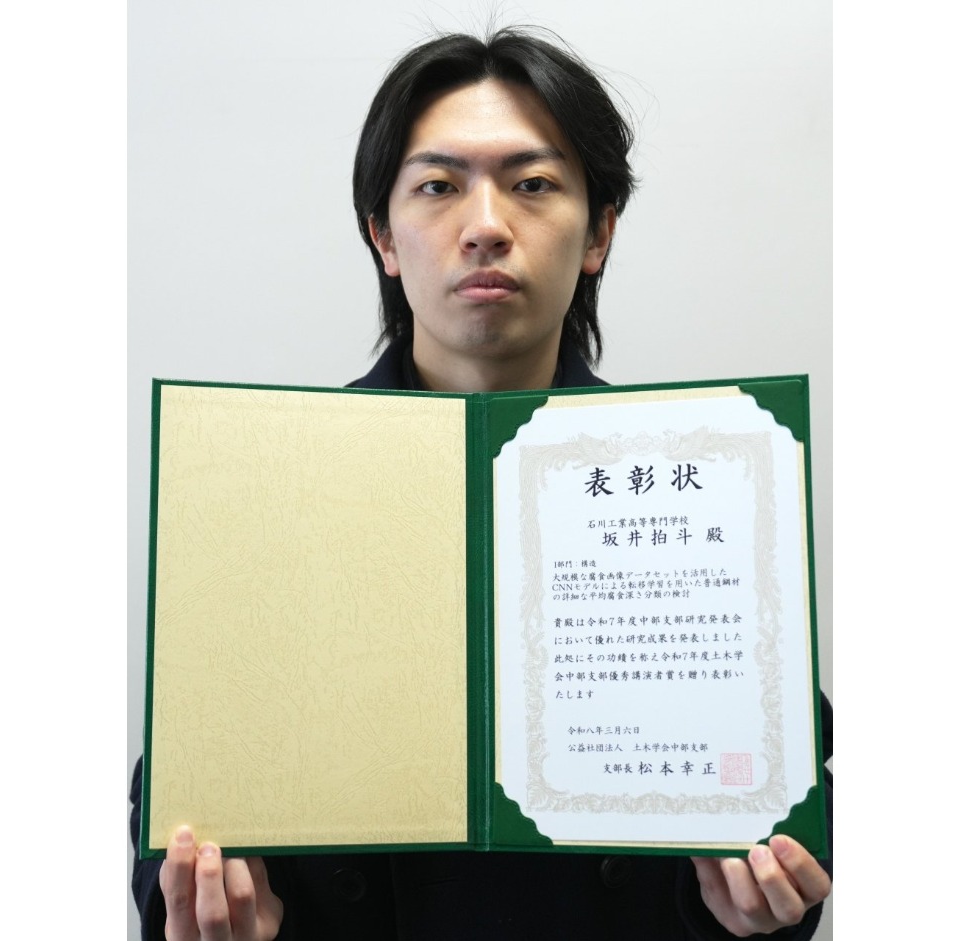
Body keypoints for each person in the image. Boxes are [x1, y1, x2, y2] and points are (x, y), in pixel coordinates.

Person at [130, 26, 833, 940]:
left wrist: (741, 916)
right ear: (383, 235)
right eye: (438, 185)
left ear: (599, 231)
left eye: (533, 184)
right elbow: (183, 795)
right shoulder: (267, 482)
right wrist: (213, 915)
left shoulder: (707, 484)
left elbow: (782, 794)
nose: (488, 224)